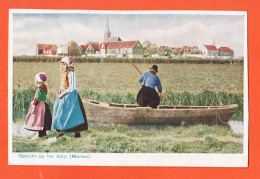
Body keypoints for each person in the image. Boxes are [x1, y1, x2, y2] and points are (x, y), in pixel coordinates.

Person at [52, 57, 88, 138]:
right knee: (60, 113)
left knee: (73, 114)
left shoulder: (71, 74)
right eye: (62, 65)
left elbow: (72, 87)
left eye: (64, 64)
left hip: (71, 96)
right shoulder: (63, 73)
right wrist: (59, 90)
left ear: (68, 65)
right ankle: (60, 131)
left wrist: (62, 94)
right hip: (63, 94)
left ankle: (76, 132)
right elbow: (62, 84)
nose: (62, 66)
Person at [24, 72, 52, 140]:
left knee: (39, 119)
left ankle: (41, 134)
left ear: (38, 81)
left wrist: (33, 105)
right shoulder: (44, 87)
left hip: (39, 105)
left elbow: (37, 98)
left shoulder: (39, 89)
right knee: (43, 119)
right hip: (44, 105)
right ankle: (43, 133)